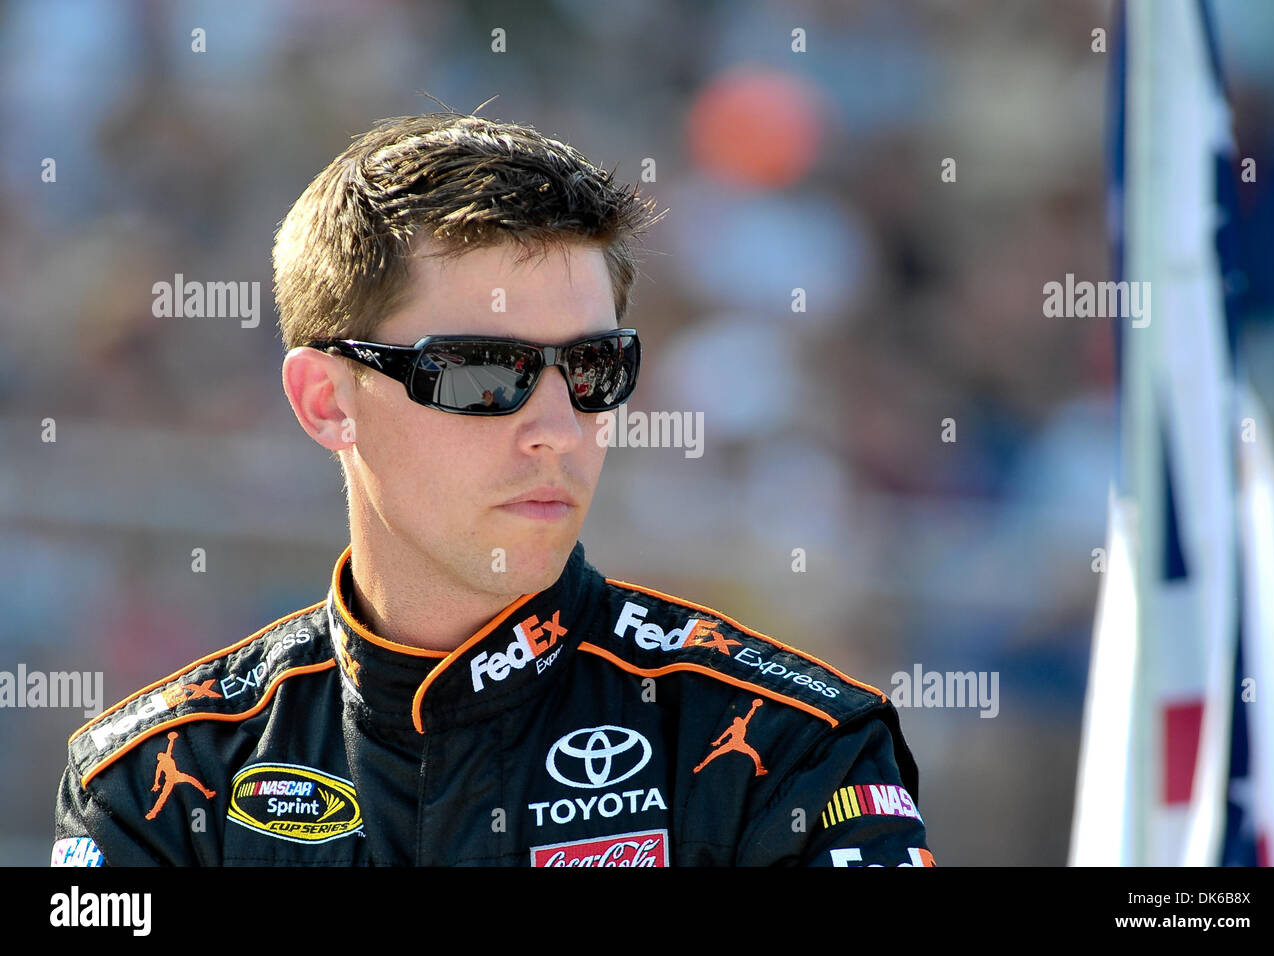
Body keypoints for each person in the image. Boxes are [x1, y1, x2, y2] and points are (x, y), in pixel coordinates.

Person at [52, 111, 934, 867]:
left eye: (593, 367)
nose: (557, 427)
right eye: (482, 373)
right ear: (326, 401)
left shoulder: (795, 752)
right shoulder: (156, 787)